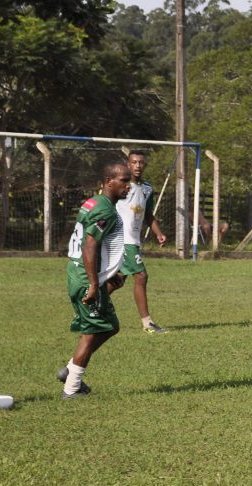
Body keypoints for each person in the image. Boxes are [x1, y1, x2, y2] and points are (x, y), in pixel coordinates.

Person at [57, 162, 132, 398]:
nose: (128, 186)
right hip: (85, 276)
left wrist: (109, 273)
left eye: (129, 181)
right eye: (124, 181)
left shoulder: (94, 202)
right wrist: (93, 283)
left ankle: (69, 370)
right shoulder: (105, 210)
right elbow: (89, 246)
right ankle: (72, 388)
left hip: (81, 272)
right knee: (91, 332)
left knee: (110, 326)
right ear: (109, 181)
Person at [118, 150, 169, 333]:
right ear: (128, 164)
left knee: (117, 280)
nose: (138, 165)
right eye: (134, 162)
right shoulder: (120, 185)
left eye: (141, 162)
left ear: (145, 165)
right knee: (141, 275)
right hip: (122, 238)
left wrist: (158, 233)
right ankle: (147, 323)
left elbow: (148, 214)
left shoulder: (147, 189)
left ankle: (88, 305)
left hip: (133, 239)